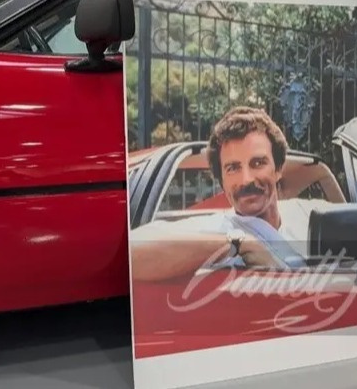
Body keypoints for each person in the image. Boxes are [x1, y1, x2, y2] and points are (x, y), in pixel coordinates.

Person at [129, 106, 334, 282]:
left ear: (279, 169)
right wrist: (238, 244)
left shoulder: (308, 213)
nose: (246, 179)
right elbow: (132, 253)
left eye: (258, 163)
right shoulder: (218, 229)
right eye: (233, 168)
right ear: (222, 181)